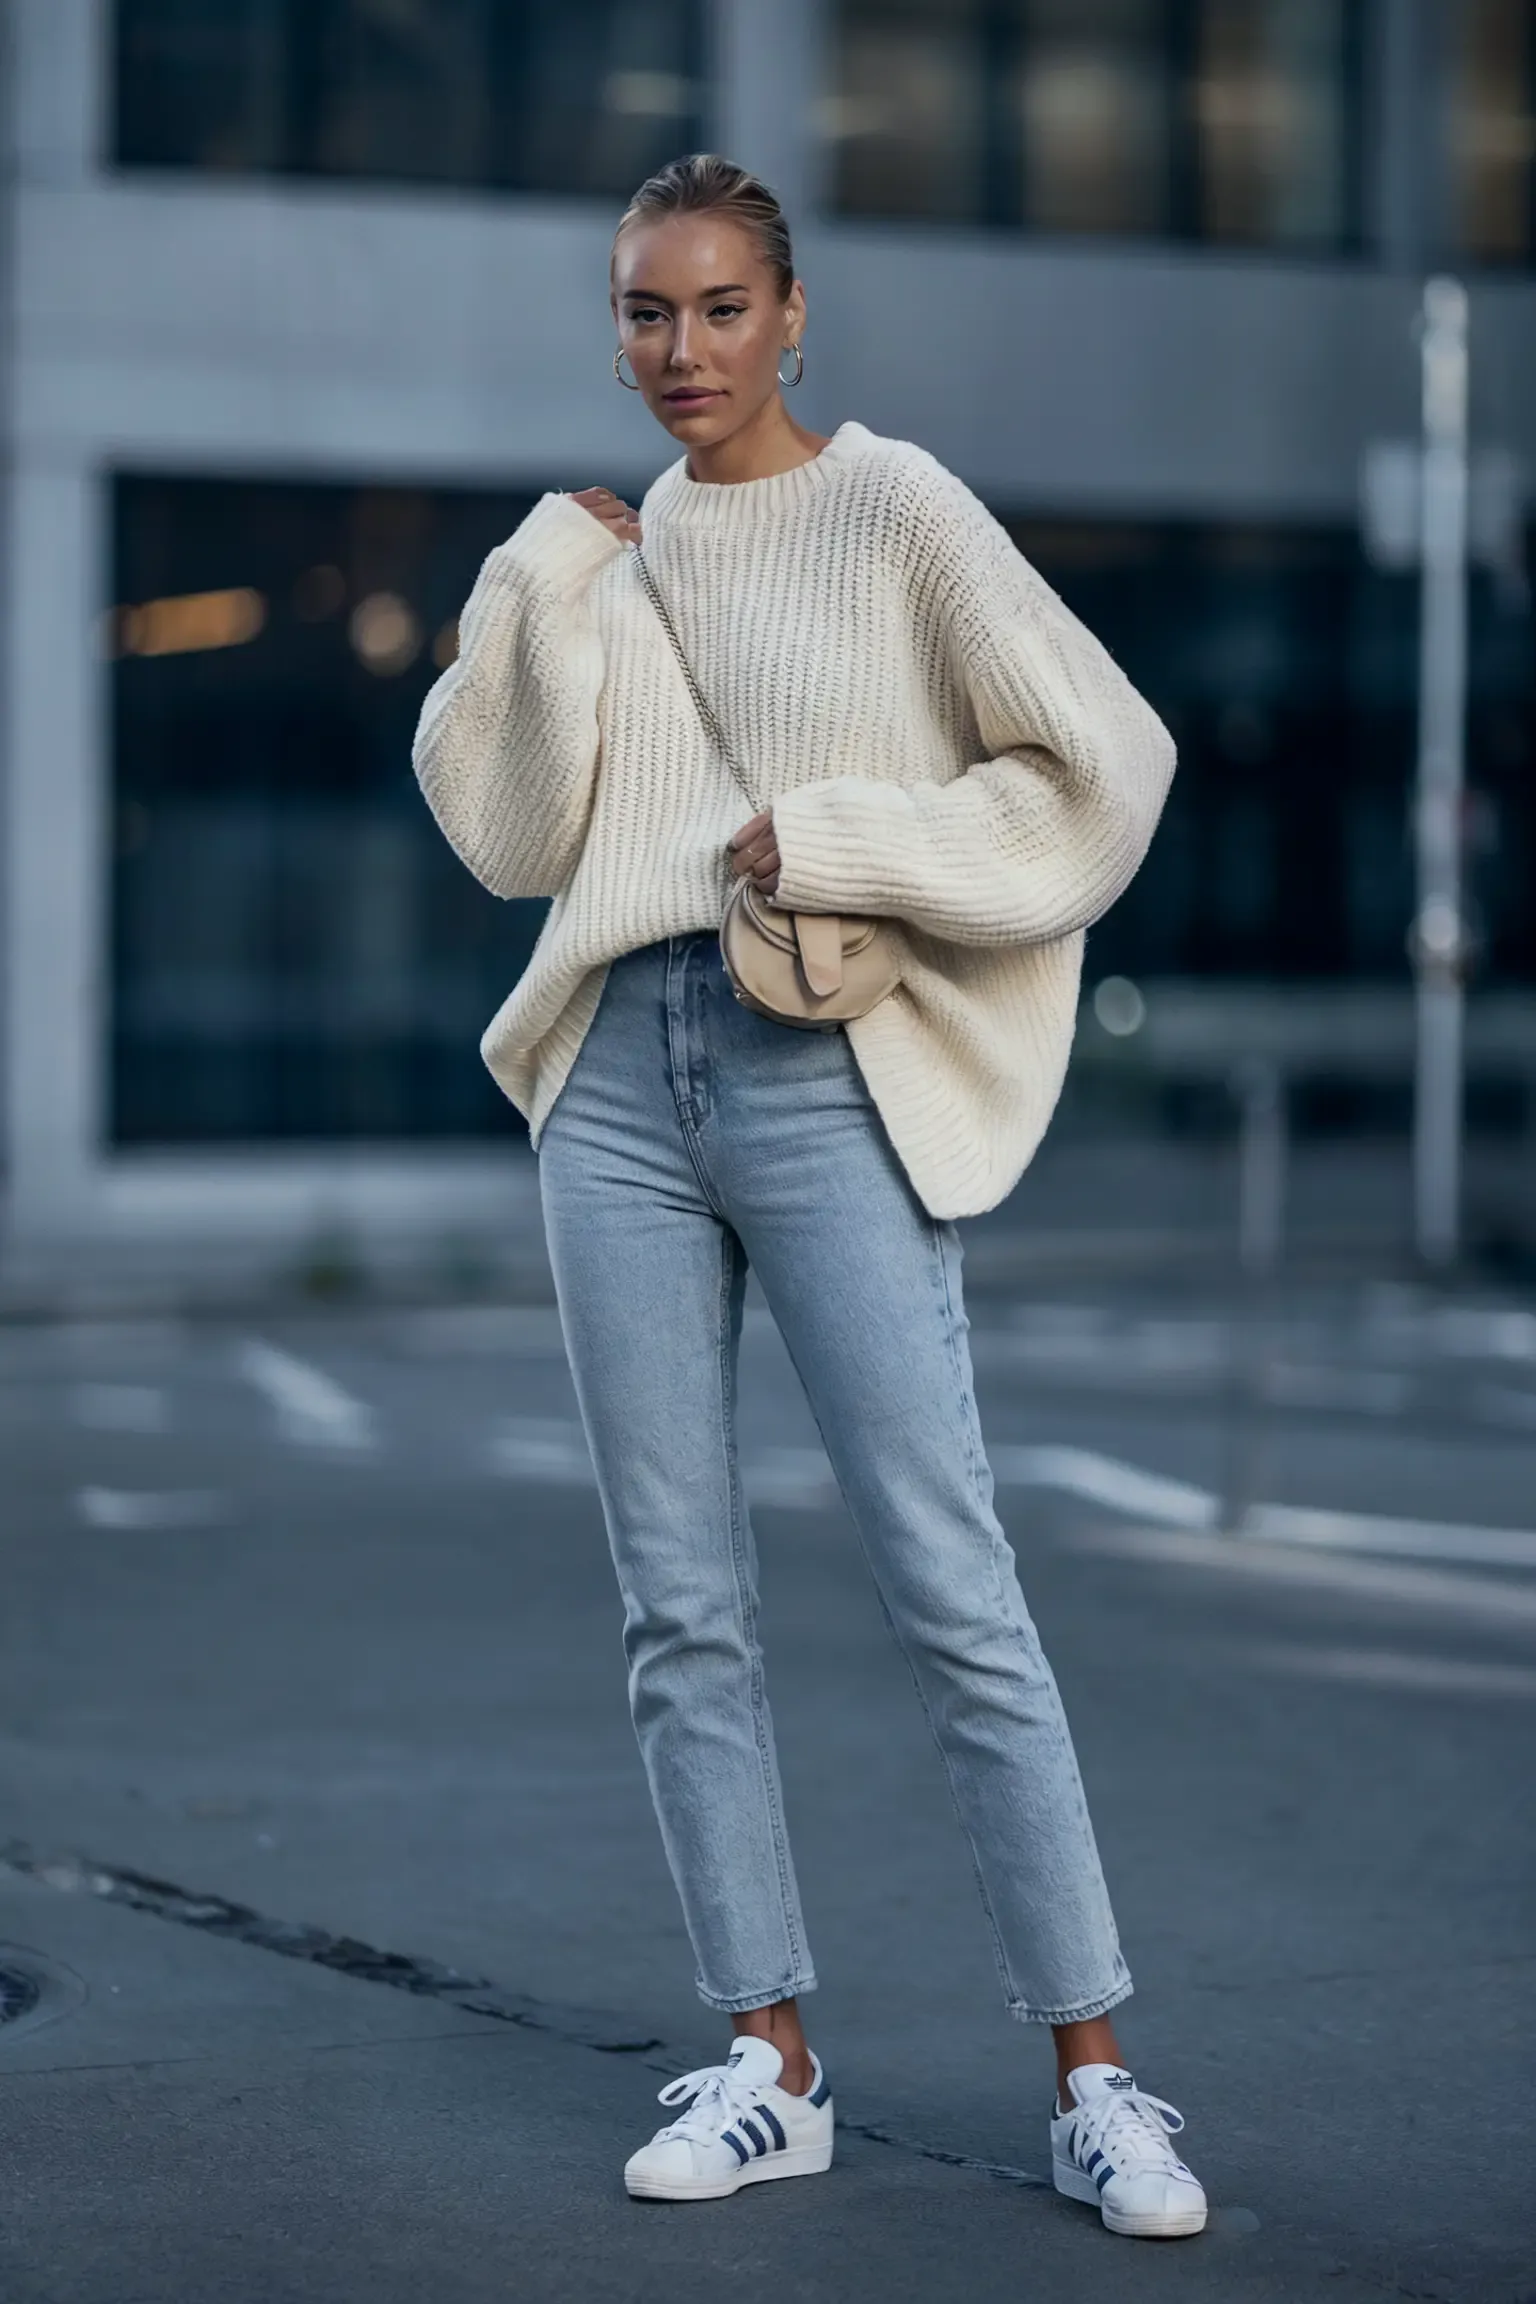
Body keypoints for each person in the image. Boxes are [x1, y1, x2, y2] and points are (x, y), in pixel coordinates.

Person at [413, 152, 1204, 2242]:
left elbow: (1104, 760)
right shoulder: (605, 549)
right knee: (680, 1606)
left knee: (951, 1578)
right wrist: (530, 585)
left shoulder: (895, 508)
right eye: (645, 314)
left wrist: (853, 836)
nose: (679, 352)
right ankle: (769, 2057)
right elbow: (506, 839)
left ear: (790, 315)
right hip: (612, 1074)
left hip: (816, 1061)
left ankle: (1100, 2077)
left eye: (717, 310)